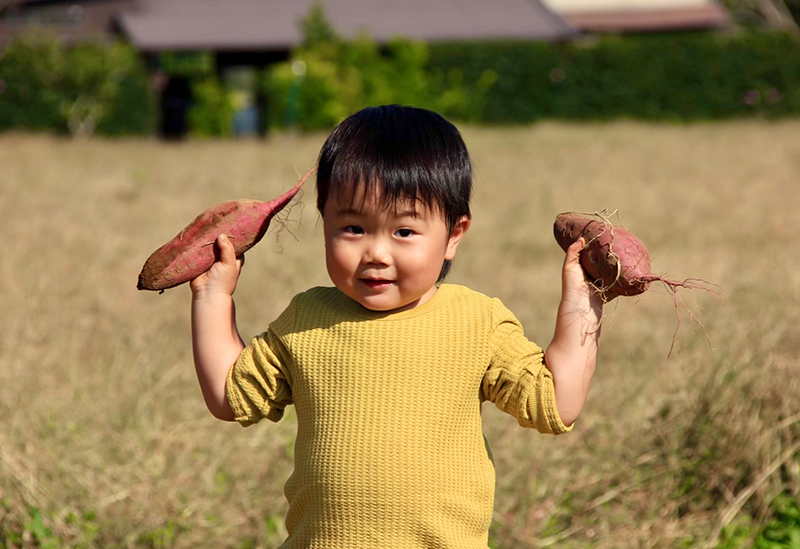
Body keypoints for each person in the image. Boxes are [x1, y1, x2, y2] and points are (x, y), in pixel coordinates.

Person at [189, 105, 602, 548]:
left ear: (454, 234)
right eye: (353, 227)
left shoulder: (477, 322)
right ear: (323, 218)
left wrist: (583, 297)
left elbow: (556, 403)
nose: (377, 254)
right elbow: (230, 395)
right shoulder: (305, 319)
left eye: (404, 231)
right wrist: (213, 297)